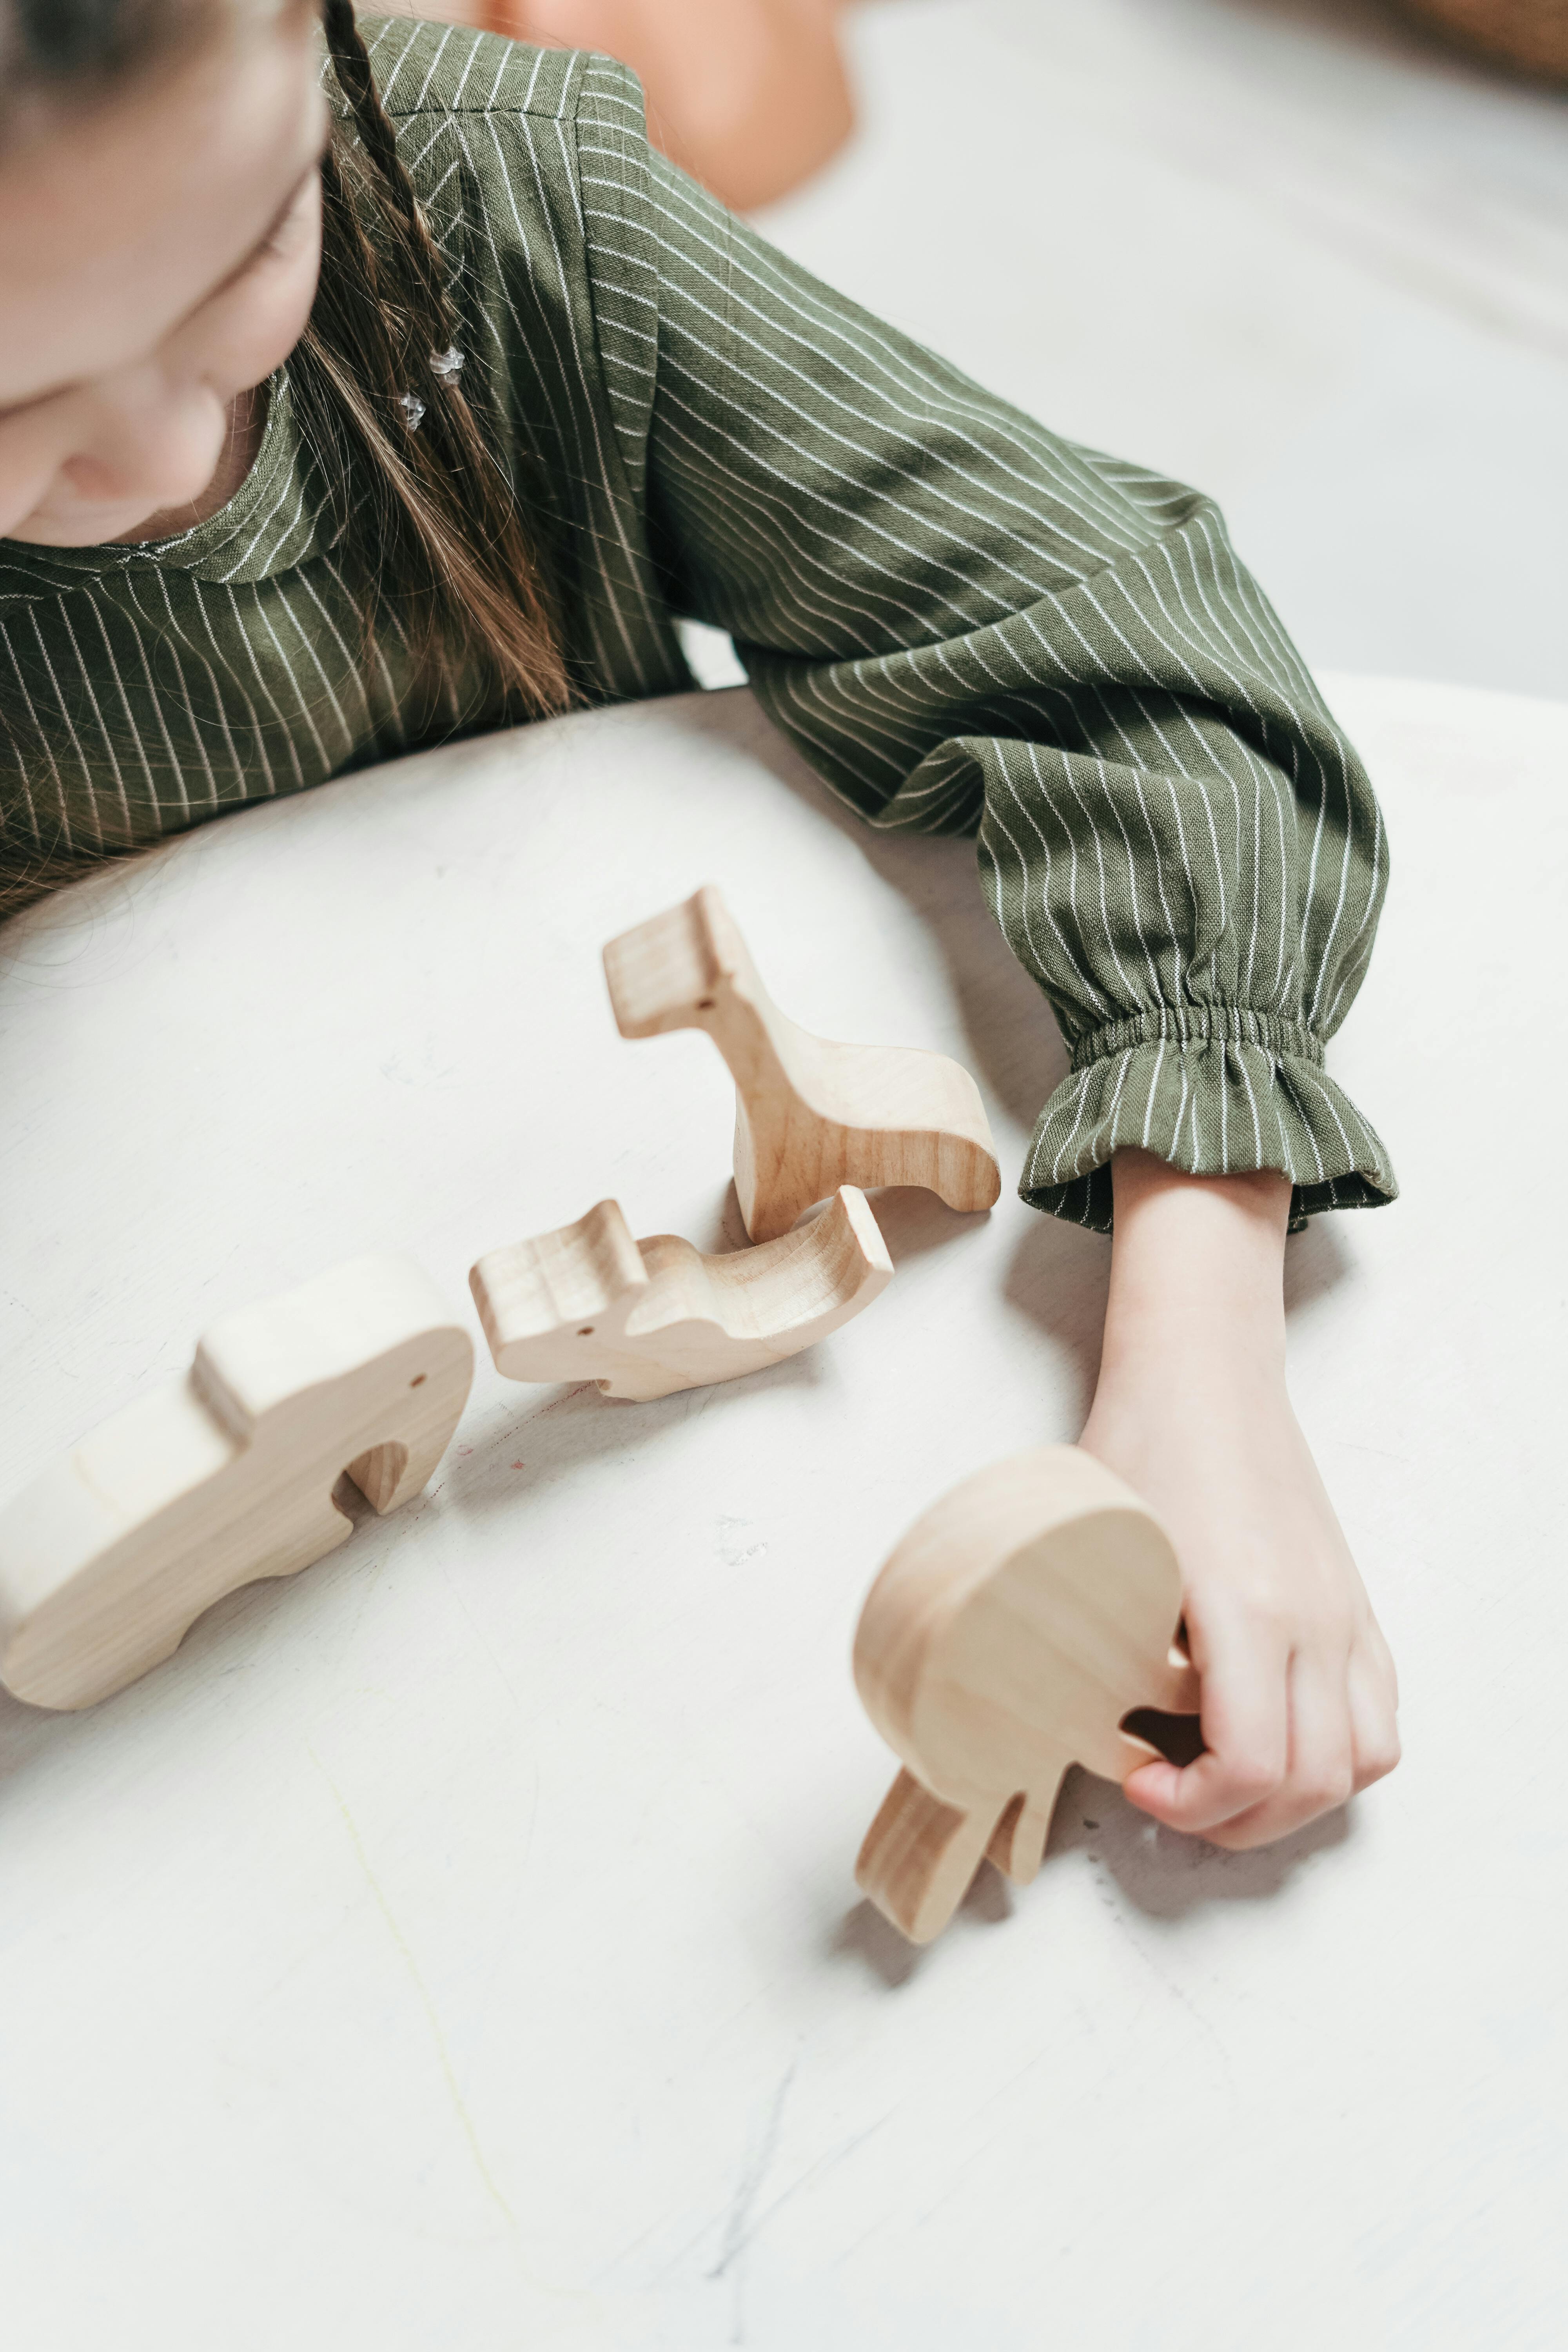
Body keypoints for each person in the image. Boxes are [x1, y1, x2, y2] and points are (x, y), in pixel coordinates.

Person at [0, 0, 1401, 1848]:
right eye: (16, 410)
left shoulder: (503, 202)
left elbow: (1140, 673)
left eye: (251, 248)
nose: (171, 452)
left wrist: (1200, 1349)